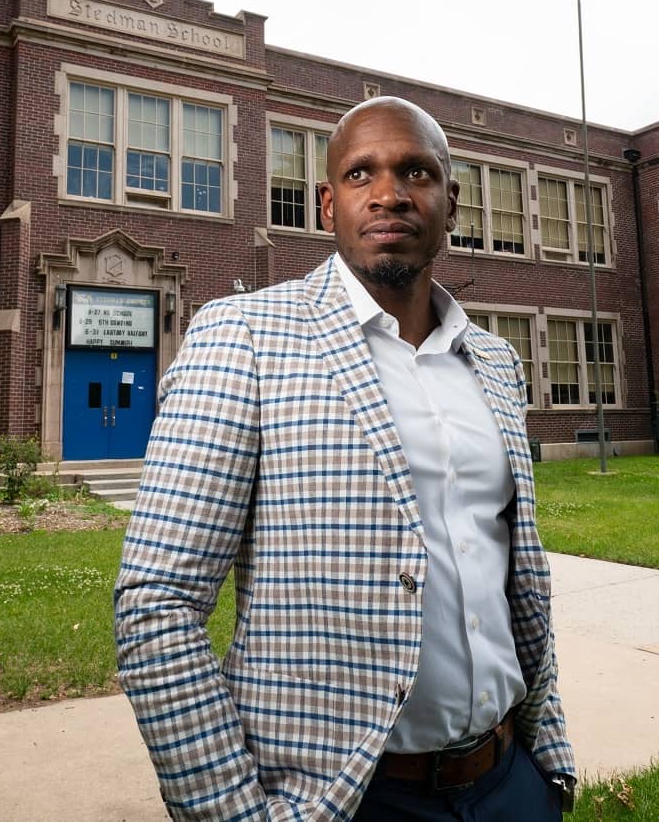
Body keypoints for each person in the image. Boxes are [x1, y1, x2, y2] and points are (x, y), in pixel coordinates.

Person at [115, 96, 576, 821]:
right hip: (344, 800)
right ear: (328, 204)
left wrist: (548, 765)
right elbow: (157, 605)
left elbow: (514, 581)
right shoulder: (244, 337)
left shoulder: (494, 362)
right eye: (362, 174)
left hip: (509, 781)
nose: (389, 193)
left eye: (415, 171)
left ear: (451, 202)